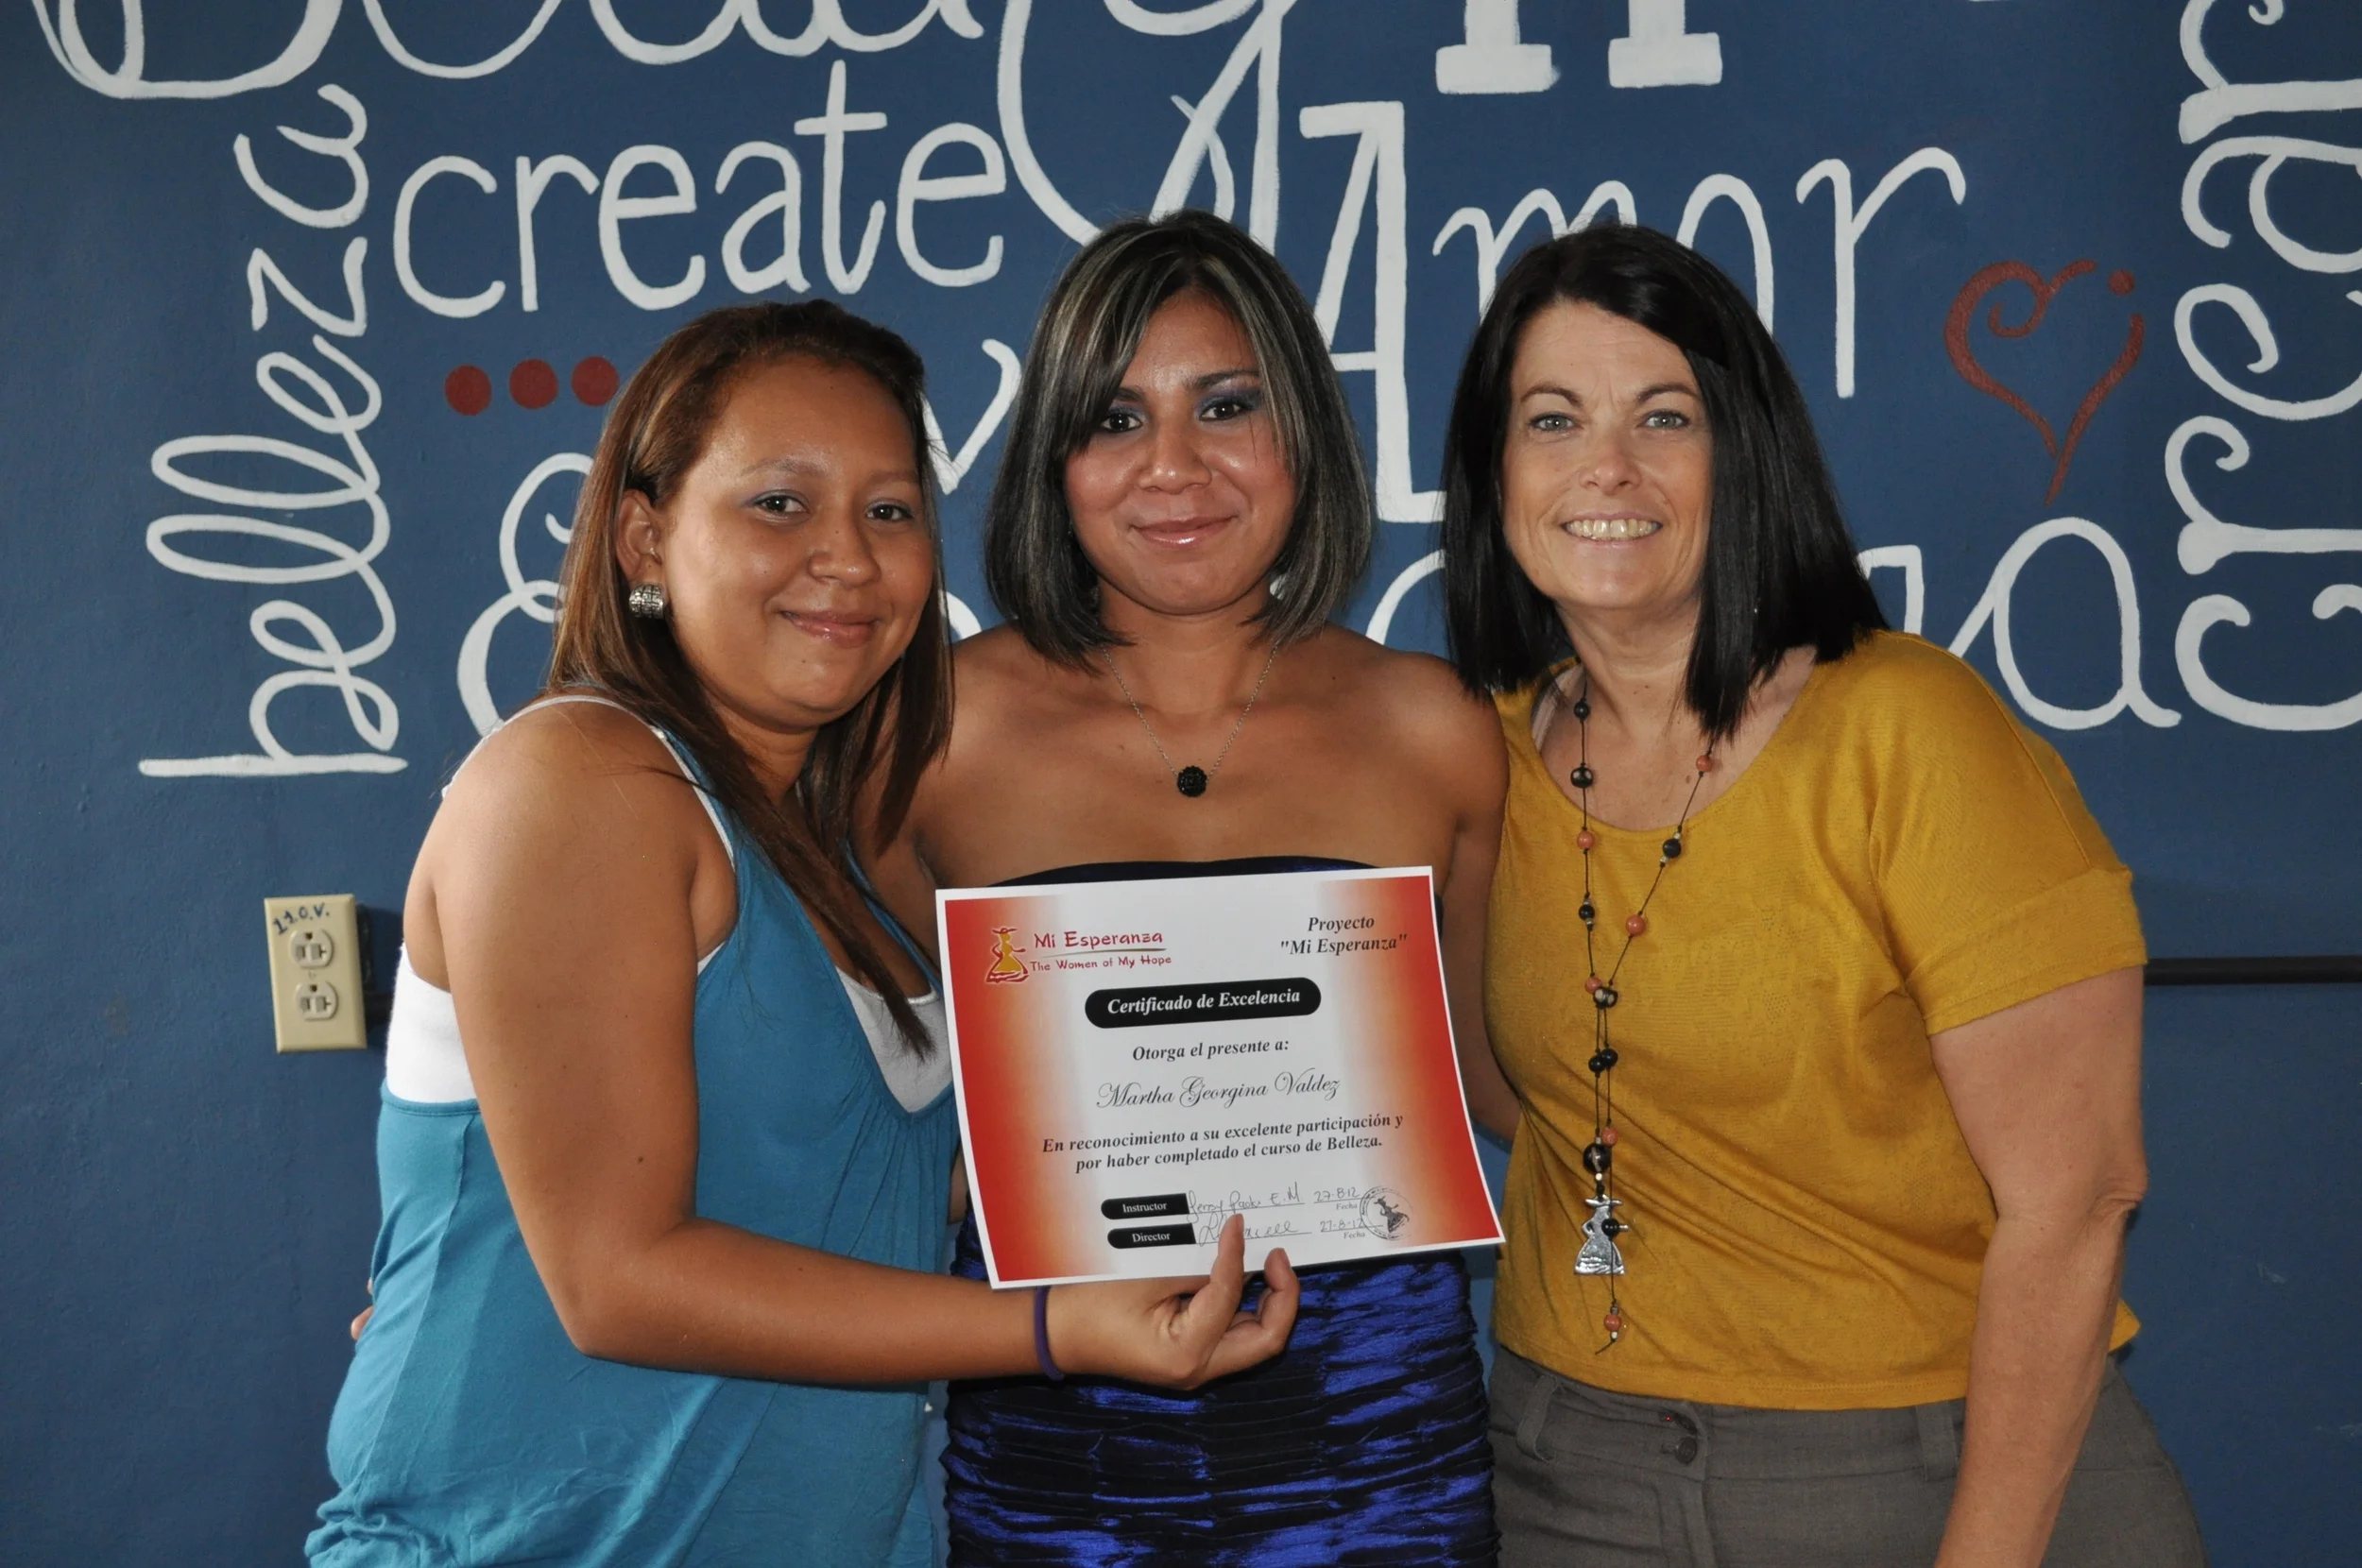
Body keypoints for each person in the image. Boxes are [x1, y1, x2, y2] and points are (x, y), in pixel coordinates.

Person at [308, 300, 1298, 1568]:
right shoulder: (581, 782)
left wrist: (1253, 1108)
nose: (846, 556)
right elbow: (619, 1279)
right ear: (643, 535)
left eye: (890, 512)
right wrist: (1053, 1330)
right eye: (780, 503)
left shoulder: (839, 848)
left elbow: (870, 1198)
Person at [1438, 224, 2208, 1567]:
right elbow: (1514, 1088)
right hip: (1575, 1471)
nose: (1606, 466)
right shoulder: (1476, 758)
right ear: (1494, 471)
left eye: (1662, 416)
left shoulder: (1906, 729)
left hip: (1934, 1469)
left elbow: (2078, 1197)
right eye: (1552, 419)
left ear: (1743, 453)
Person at [864, 211, 1515, 1565]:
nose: (1175, 467)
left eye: (1226, 405)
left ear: (1304, 434)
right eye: (1114, 418)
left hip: (1383, 1454)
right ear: (1054, 460)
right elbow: (862, 1119)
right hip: (1061, 1459)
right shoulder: (926, 735)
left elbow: (1503, 1082)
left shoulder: (1433, 725)